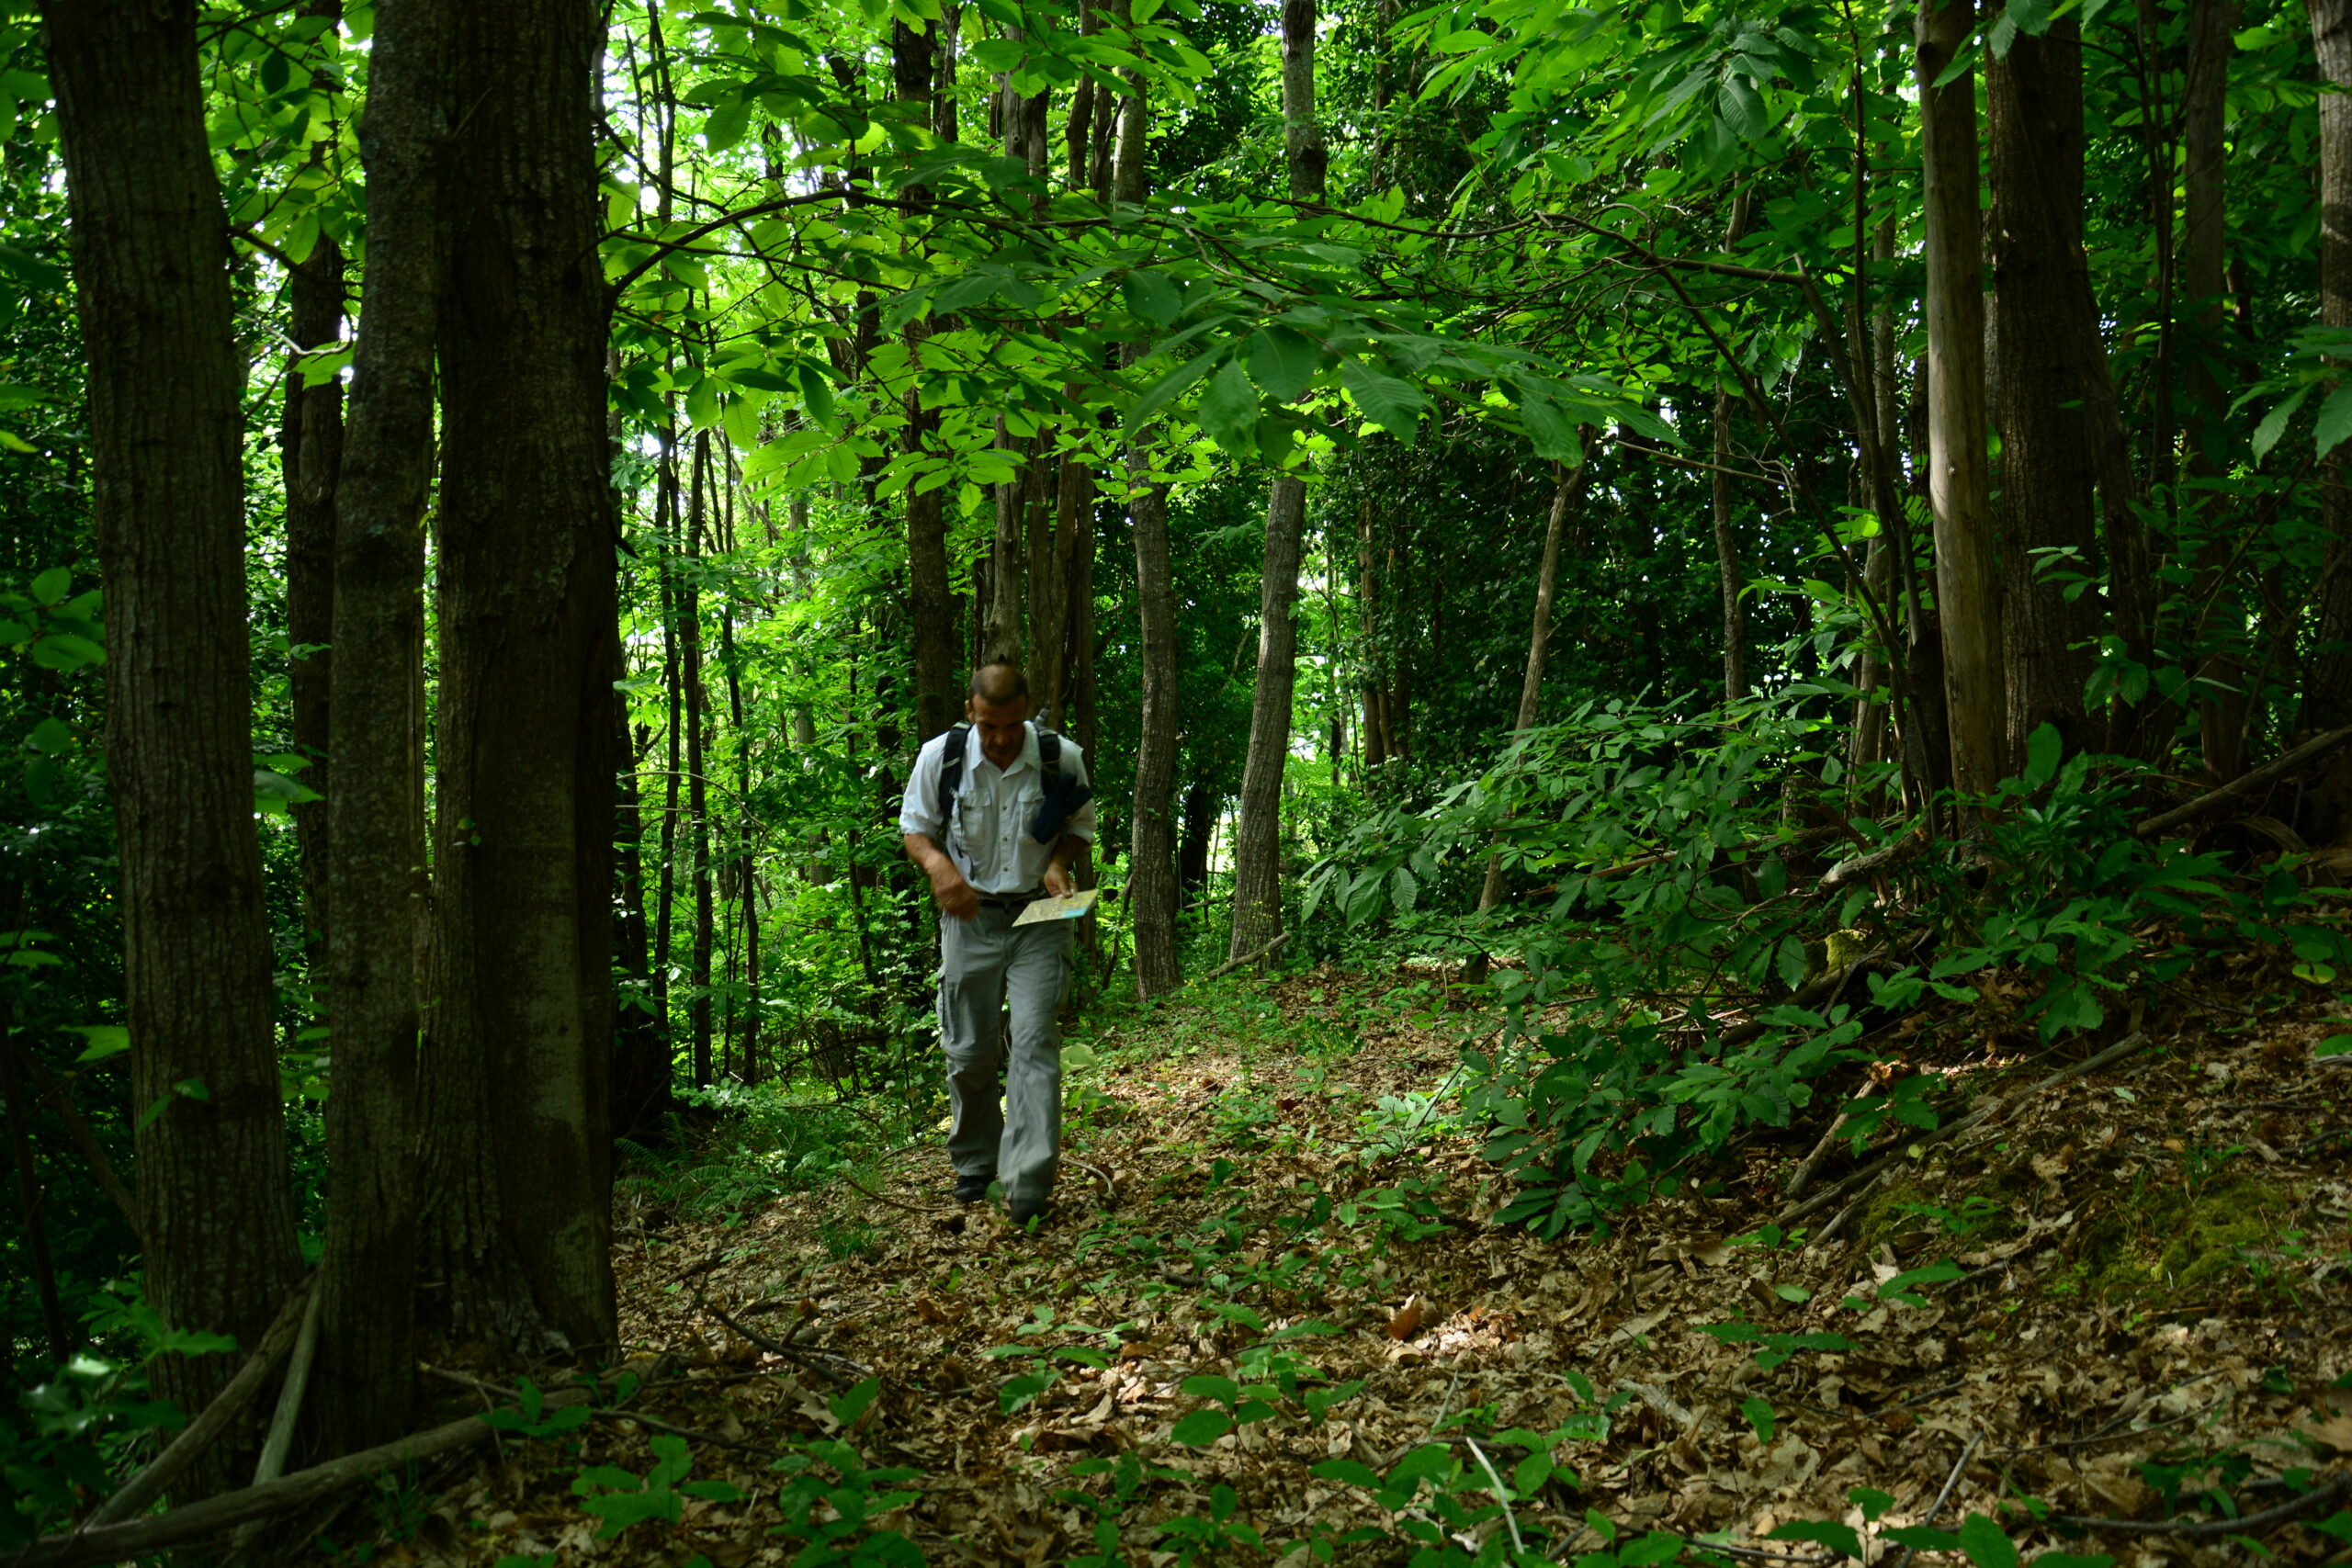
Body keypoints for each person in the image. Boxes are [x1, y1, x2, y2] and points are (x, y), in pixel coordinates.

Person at [899, 661, 1098, 1228]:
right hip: (970, 918)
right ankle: (976, 1162)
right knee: (967, 1050)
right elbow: (916, 829)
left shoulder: (1061, 757)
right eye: (990, 726)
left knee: (1034, 1043)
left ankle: (1027, 1183)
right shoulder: (941, 757)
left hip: (1039, 917)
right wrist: (939, 868)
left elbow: (1079, 828)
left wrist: (1059, 863)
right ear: (971, 713)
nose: (1003, 738)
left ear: (1026, 712)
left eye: (1012, 725)